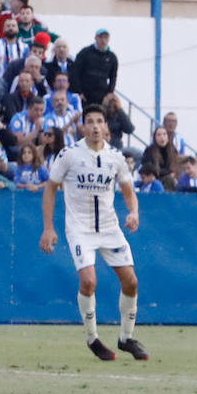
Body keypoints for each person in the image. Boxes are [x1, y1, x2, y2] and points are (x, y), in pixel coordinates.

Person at [38, 104, 148, 362]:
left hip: (109, 228)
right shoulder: (69, 154)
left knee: (131, 282)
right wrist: (48, 228)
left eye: (100, 121)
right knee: (89, 281)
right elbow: (51, 188)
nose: (95, 126)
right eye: (90, 121)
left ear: (106, 126)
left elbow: (129, 191)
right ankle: (92, 339)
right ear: (83, 126)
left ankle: (125, 338)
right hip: (80, 229)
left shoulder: (116, 157)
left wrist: (133, 213)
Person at [72, 29, 118, 106]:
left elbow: (113, 77)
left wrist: (109, 94)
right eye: (101, 37)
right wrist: (78, 92)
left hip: (101, 97)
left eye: (105, 38)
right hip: (85, 95)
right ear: (96, 38)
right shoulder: (85, 52)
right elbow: (75, 72)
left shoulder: (112, 57)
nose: (103, 40)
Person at [141, 125, 179, 189]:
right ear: (155, 138)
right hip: (154, 179)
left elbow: (175, 167)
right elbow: (150, 169)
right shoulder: (149, 151)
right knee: (169, 179)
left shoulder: (173, 150)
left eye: (164, 134)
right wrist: (169, 173)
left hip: (170, 178)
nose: (162, 137)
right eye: (159, 135)